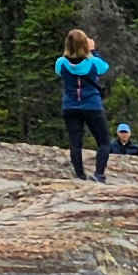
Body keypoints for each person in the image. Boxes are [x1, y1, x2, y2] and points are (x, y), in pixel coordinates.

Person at [54, 28, 114, 180]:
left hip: (70, 106)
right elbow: (104, 68)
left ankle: (80, 174)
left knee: (75, 142)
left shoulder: (61, 63)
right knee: (103, 142)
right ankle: (99, 174)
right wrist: (93, 51)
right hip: (92, 105)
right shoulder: (93, 62)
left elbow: (59, 72)